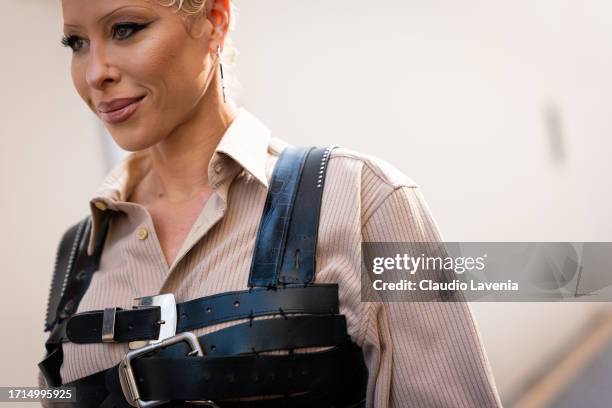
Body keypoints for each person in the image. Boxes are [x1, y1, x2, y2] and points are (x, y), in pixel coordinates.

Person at [39, 0, 503, 407]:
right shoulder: (77, 254)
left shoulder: (365, 198)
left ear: (215, 21)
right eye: (75, 43)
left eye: (125, 29)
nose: (95, 71)